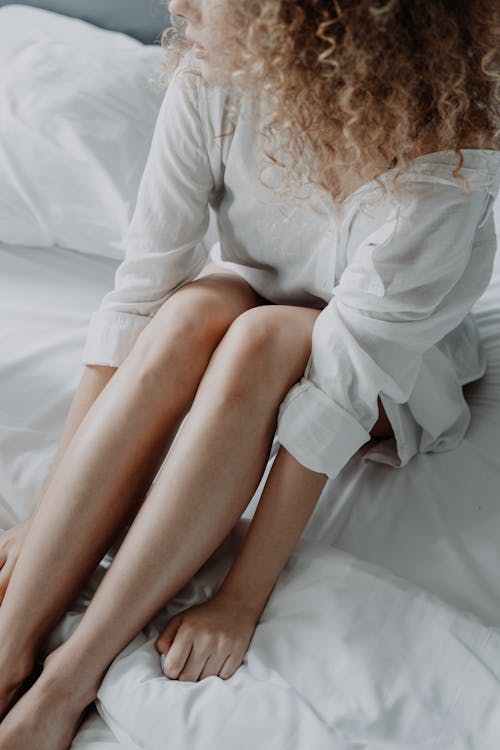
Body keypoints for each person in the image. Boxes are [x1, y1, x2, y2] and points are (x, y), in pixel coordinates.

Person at [0, 0, 498, 746]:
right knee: (189, 312)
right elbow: (140, 291)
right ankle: (9, 645)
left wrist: (241, 598)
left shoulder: (445, 171)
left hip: (398, 378)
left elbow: (339, 389)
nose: (180, 9)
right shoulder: (212, 76)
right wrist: (50, 520)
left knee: (264, 336)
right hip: (256, 303)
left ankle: (71, 680)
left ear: (311, 29)